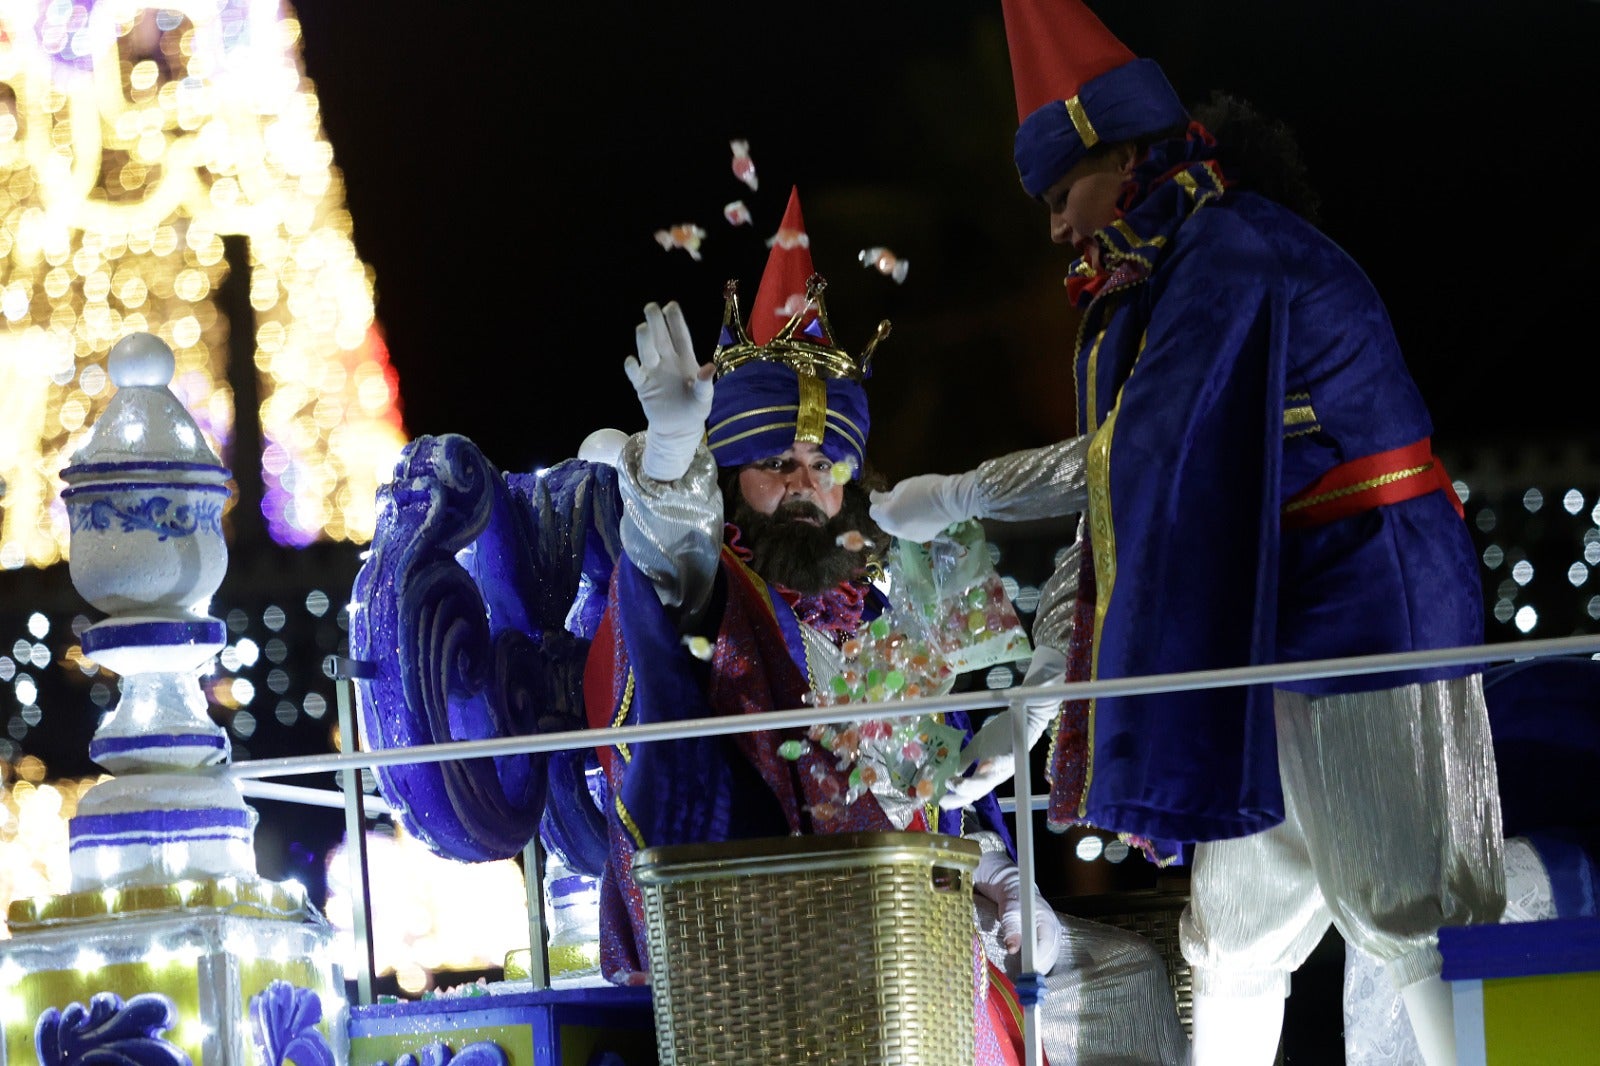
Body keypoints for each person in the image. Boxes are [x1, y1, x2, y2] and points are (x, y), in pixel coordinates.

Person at [867, 2, 1506, 1063]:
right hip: (1276, 613)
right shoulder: (1169, 272)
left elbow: (1143, 451)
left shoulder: (1231, 252)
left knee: (1405, 908)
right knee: (1233, 936)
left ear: (1125, 158)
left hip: (1373, 604)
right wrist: (1031, 706)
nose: (1056, 230)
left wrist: (967, 493)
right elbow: (1120, 515)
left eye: (1061, 196)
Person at [582, 187, 1031, 1064]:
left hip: (918, 915)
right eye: (775, 461)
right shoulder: (717, 589)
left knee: (1115, 977)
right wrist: (670, 453)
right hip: (774, 932)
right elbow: (670, 557)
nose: (803, 484)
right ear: (729, 477)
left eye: (824, 465)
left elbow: (928, 789)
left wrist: (1003, 875)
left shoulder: (879, 611)